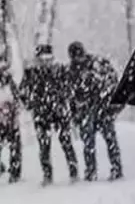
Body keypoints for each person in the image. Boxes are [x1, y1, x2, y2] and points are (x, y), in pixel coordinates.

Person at [17, 45, 77, 185]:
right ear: (37, 59)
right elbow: (22, 92)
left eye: (48, 58)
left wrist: (66, 102)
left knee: (66, 142)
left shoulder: (60, 70)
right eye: (42, 58)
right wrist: (30, 104)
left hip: (59, 113)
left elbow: (70, 88)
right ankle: (47, 175)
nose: (45, 61)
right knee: (44, 146)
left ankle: (73, 172)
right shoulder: (31, 73)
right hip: (41, 114)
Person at [66, 41, 123, 181]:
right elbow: (71, 95)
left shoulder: (97, 64)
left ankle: (113, 169)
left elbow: (113, 83)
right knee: (91, 142)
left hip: (101, 109)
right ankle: (94, 170)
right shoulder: (73, 71)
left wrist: (112, 106)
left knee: (105, 140)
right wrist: (75, 114)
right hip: (88, 110)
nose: (78, 59)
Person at [0, 61, 20, 182]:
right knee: (14, 145)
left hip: (10, 118)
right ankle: (14, 171)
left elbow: (16, 97)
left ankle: (15, 171)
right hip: (7, 117)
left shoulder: (9, 82)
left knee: (14, 145)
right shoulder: (9, 82)